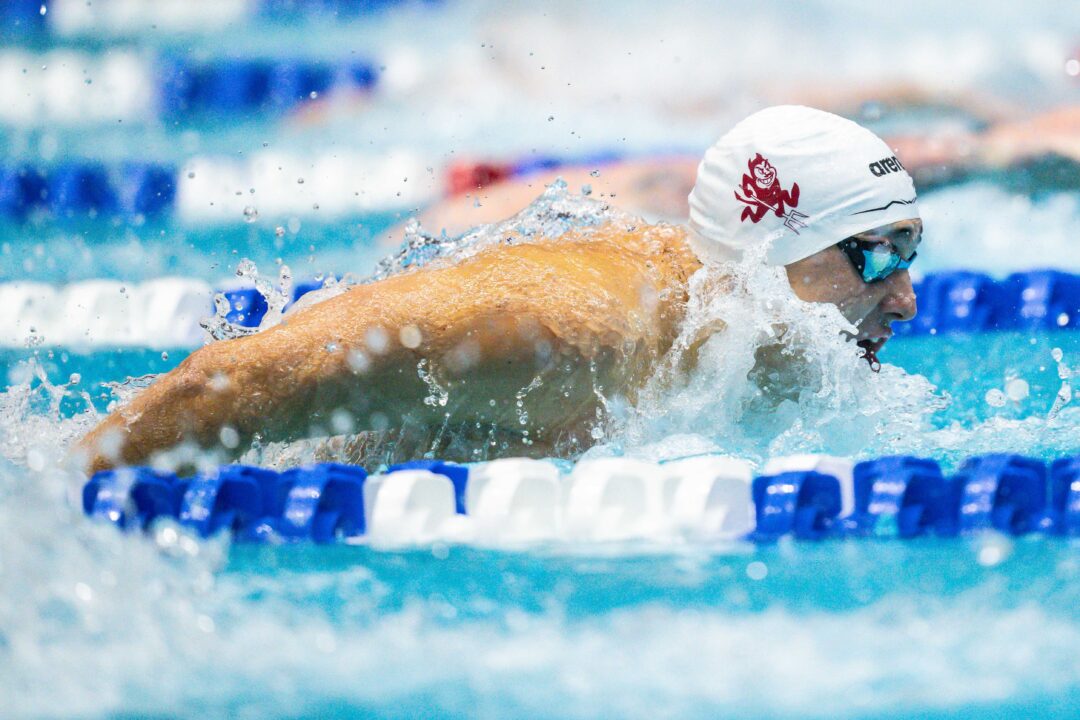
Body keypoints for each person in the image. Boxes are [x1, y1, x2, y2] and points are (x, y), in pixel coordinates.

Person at [75, 106, 920, 474]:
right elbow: (229, 385)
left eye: (909, 254)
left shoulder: (714, 318)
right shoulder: (558, 335)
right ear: (770, 254)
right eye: (876, 256)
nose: (906, 299)